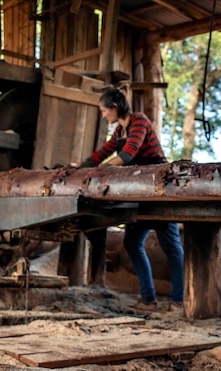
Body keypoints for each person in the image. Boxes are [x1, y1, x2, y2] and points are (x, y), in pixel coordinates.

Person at [79, 88, 184, 312]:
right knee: (132, 243)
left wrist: (101, 168)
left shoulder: (139, 121)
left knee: (172, 248)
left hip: (161, 191)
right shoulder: (119, 132)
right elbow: (101, 153)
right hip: (141, 194)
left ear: (115, 107)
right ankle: (149, 300)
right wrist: (79, 167)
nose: (104, 115)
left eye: (104, 110)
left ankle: (179, 301)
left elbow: (128, 154)